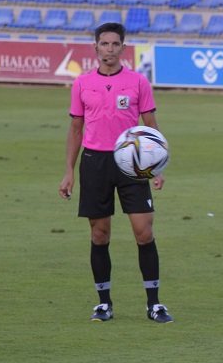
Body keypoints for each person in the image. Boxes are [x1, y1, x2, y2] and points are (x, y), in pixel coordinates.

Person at [58, 23, 173, 323]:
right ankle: (104, 303)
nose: (109, 49)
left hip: (132, 164)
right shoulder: (82, 84)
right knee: (100, 235)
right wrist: (69, 171)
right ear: (95, 48)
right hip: (95, 163)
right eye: (104, 44)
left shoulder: (138, 82)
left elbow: (150, 126)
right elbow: (74, 129)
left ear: (123, 47)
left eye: (115, 44)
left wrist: (157, 167)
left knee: (144, 233)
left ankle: (154, 303)